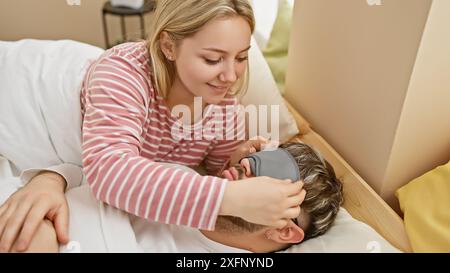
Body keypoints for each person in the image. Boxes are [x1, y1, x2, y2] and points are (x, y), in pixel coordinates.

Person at [0, 0, 305, 252]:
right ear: (168, 47)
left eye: (240, 58)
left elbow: (216, 173)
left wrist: (237, 157)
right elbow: (109, 172)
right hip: (15, 90)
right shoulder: (124, 74)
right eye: (213, 59)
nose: (230, 76)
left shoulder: (224, 108)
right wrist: (230, 199)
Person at [61, 141, 343, 253]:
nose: (245, 163)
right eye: (257, 159)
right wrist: (51, 180)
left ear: (283, 230)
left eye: (270, 183)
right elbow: (90, 173)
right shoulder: (180, 175)